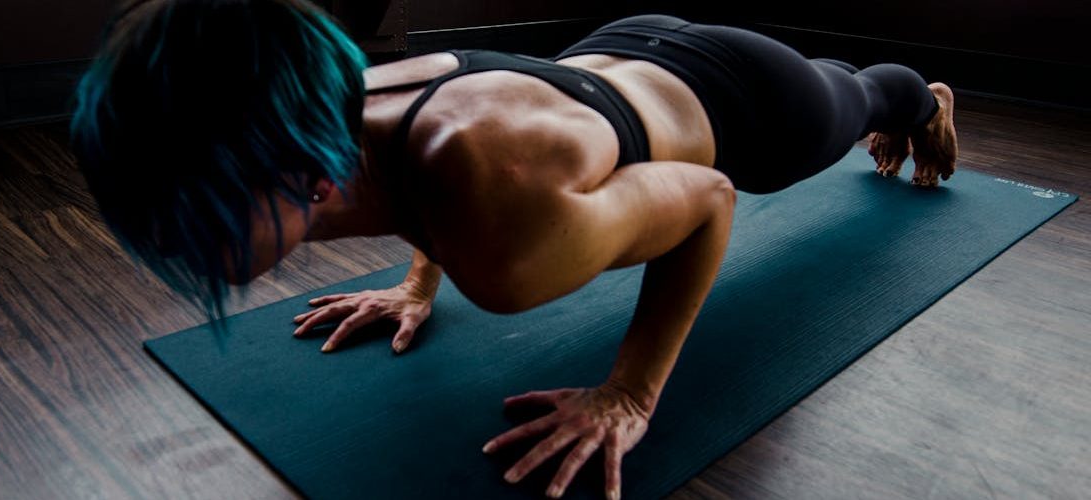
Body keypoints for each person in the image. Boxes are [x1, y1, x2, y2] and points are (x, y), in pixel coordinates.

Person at [69, 1, 958, 498]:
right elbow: (416, 177)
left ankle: (932, 100)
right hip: (617, 50)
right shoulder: (337, 116)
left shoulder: (505, 240)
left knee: (863, 99)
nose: (168, 240)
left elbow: (708, 199)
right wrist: (420, 284)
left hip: (756, 108)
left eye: (200, 216)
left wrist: (629, 392)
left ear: (309, 181)